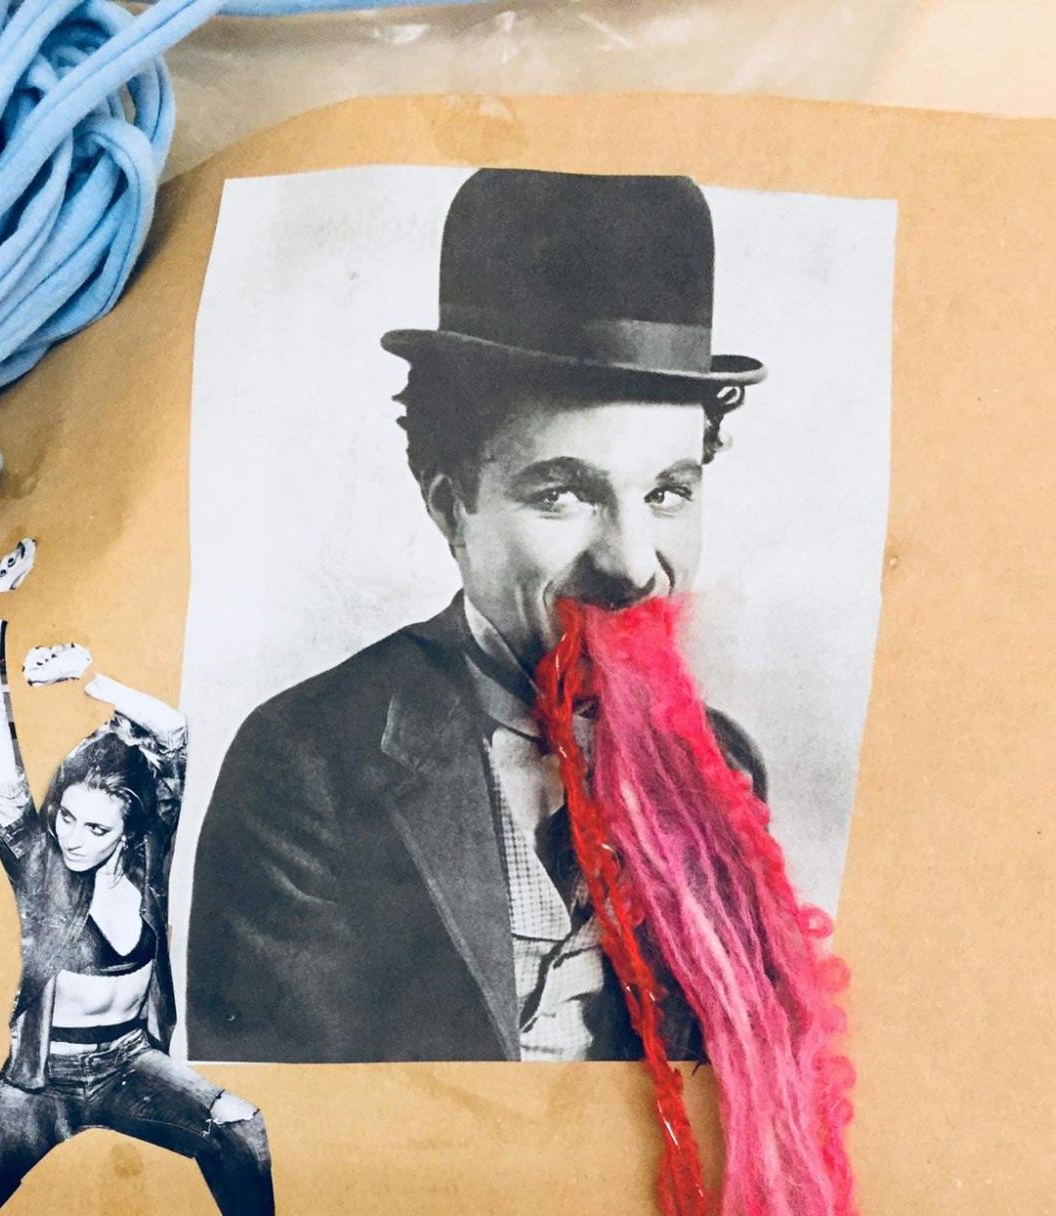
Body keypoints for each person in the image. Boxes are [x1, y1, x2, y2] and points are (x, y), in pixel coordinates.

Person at [187, 170, 768, 1064]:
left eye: (666, 492)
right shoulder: (308, 766)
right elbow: (287, 1124)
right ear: (450, 505)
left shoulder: (723, 766)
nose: (630, 564)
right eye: (564, 493)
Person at [0, 612, 274, 1216]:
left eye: (96, 829)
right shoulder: (41, 868)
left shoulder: (149, 860)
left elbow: (173, 734)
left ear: (128, 833)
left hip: (130, 1064)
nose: (73, 837)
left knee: (241, 1127)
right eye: (67, 817)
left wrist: (93, 681)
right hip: (39, 1086)